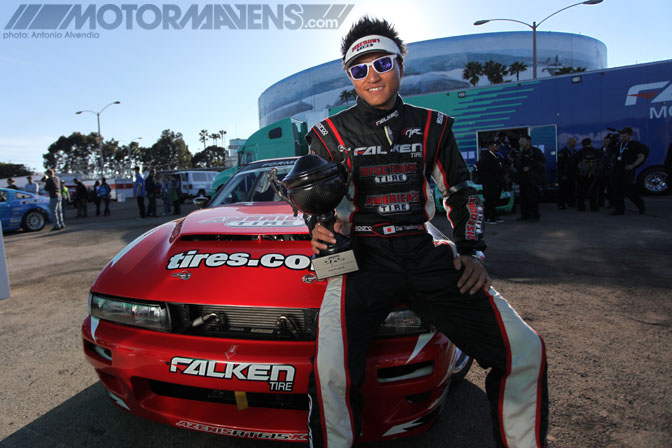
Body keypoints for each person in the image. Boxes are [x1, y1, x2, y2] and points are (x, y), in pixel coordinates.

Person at [305, 17, 547, 448]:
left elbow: (461, 192)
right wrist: (318, 227)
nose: (371, 75)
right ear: (349, 77)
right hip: (361, 257)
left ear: (401, 65)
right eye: (358, 69)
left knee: (524, 351)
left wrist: (472, 251)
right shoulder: (327, 134)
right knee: (329, 374)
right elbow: (314, 198)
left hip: (423, 248)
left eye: (381, 62)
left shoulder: (435, 125)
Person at [610, 126, 647, 215]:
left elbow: (641, 156)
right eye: (621, 136)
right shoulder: (619, 145)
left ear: (630, 136)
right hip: (617, 170)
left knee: (628, 190)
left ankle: (640, 204)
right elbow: (613, 155)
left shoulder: (635, 145)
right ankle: (619, 209)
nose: (622, 138)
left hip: (627, 171)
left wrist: (633, 165)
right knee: (617, 190)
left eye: (624, 136)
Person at [515, 135, 546, 222]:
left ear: (529, 141)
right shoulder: (520, 153)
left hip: (532, 179)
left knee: (532, 197)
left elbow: (542, 164)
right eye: (520, 142)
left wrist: (530, 167)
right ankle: (525, 215)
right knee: (523, 198)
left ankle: (535, 215)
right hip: (522, 179)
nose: (521, 143)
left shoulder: (536, 152)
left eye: (523, 141)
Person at [476, 140, 507, 224]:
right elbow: (486, 169)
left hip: (497, 182)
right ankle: (488, 217)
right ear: (490, 146)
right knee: (490, 200)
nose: (497, 147)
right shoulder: (486, 157)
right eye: (495, 145)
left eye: (497, 145)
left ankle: (494, 216)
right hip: (489, 183)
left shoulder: (497, 156)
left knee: (495, 200)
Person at [575, 138, 602, 212]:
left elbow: (574, 163)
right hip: (594, 175)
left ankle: (581, 207)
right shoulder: (597, 151)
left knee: (581, 191)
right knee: (594, 191)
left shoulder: (579, 152)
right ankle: (593, 207)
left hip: (582, 175)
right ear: (590, 143)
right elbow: (601, 162)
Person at [556, 137, 577, 209]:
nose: (576, 144)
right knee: (563, 190)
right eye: (574, 142)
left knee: (572, 189)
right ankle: (562, 204)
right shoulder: (562, 152)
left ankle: (571, 203)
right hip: (564, 174)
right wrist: (562, 174)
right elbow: (560, 165)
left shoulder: (574, 152)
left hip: (572, 174)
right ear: (569, 143)